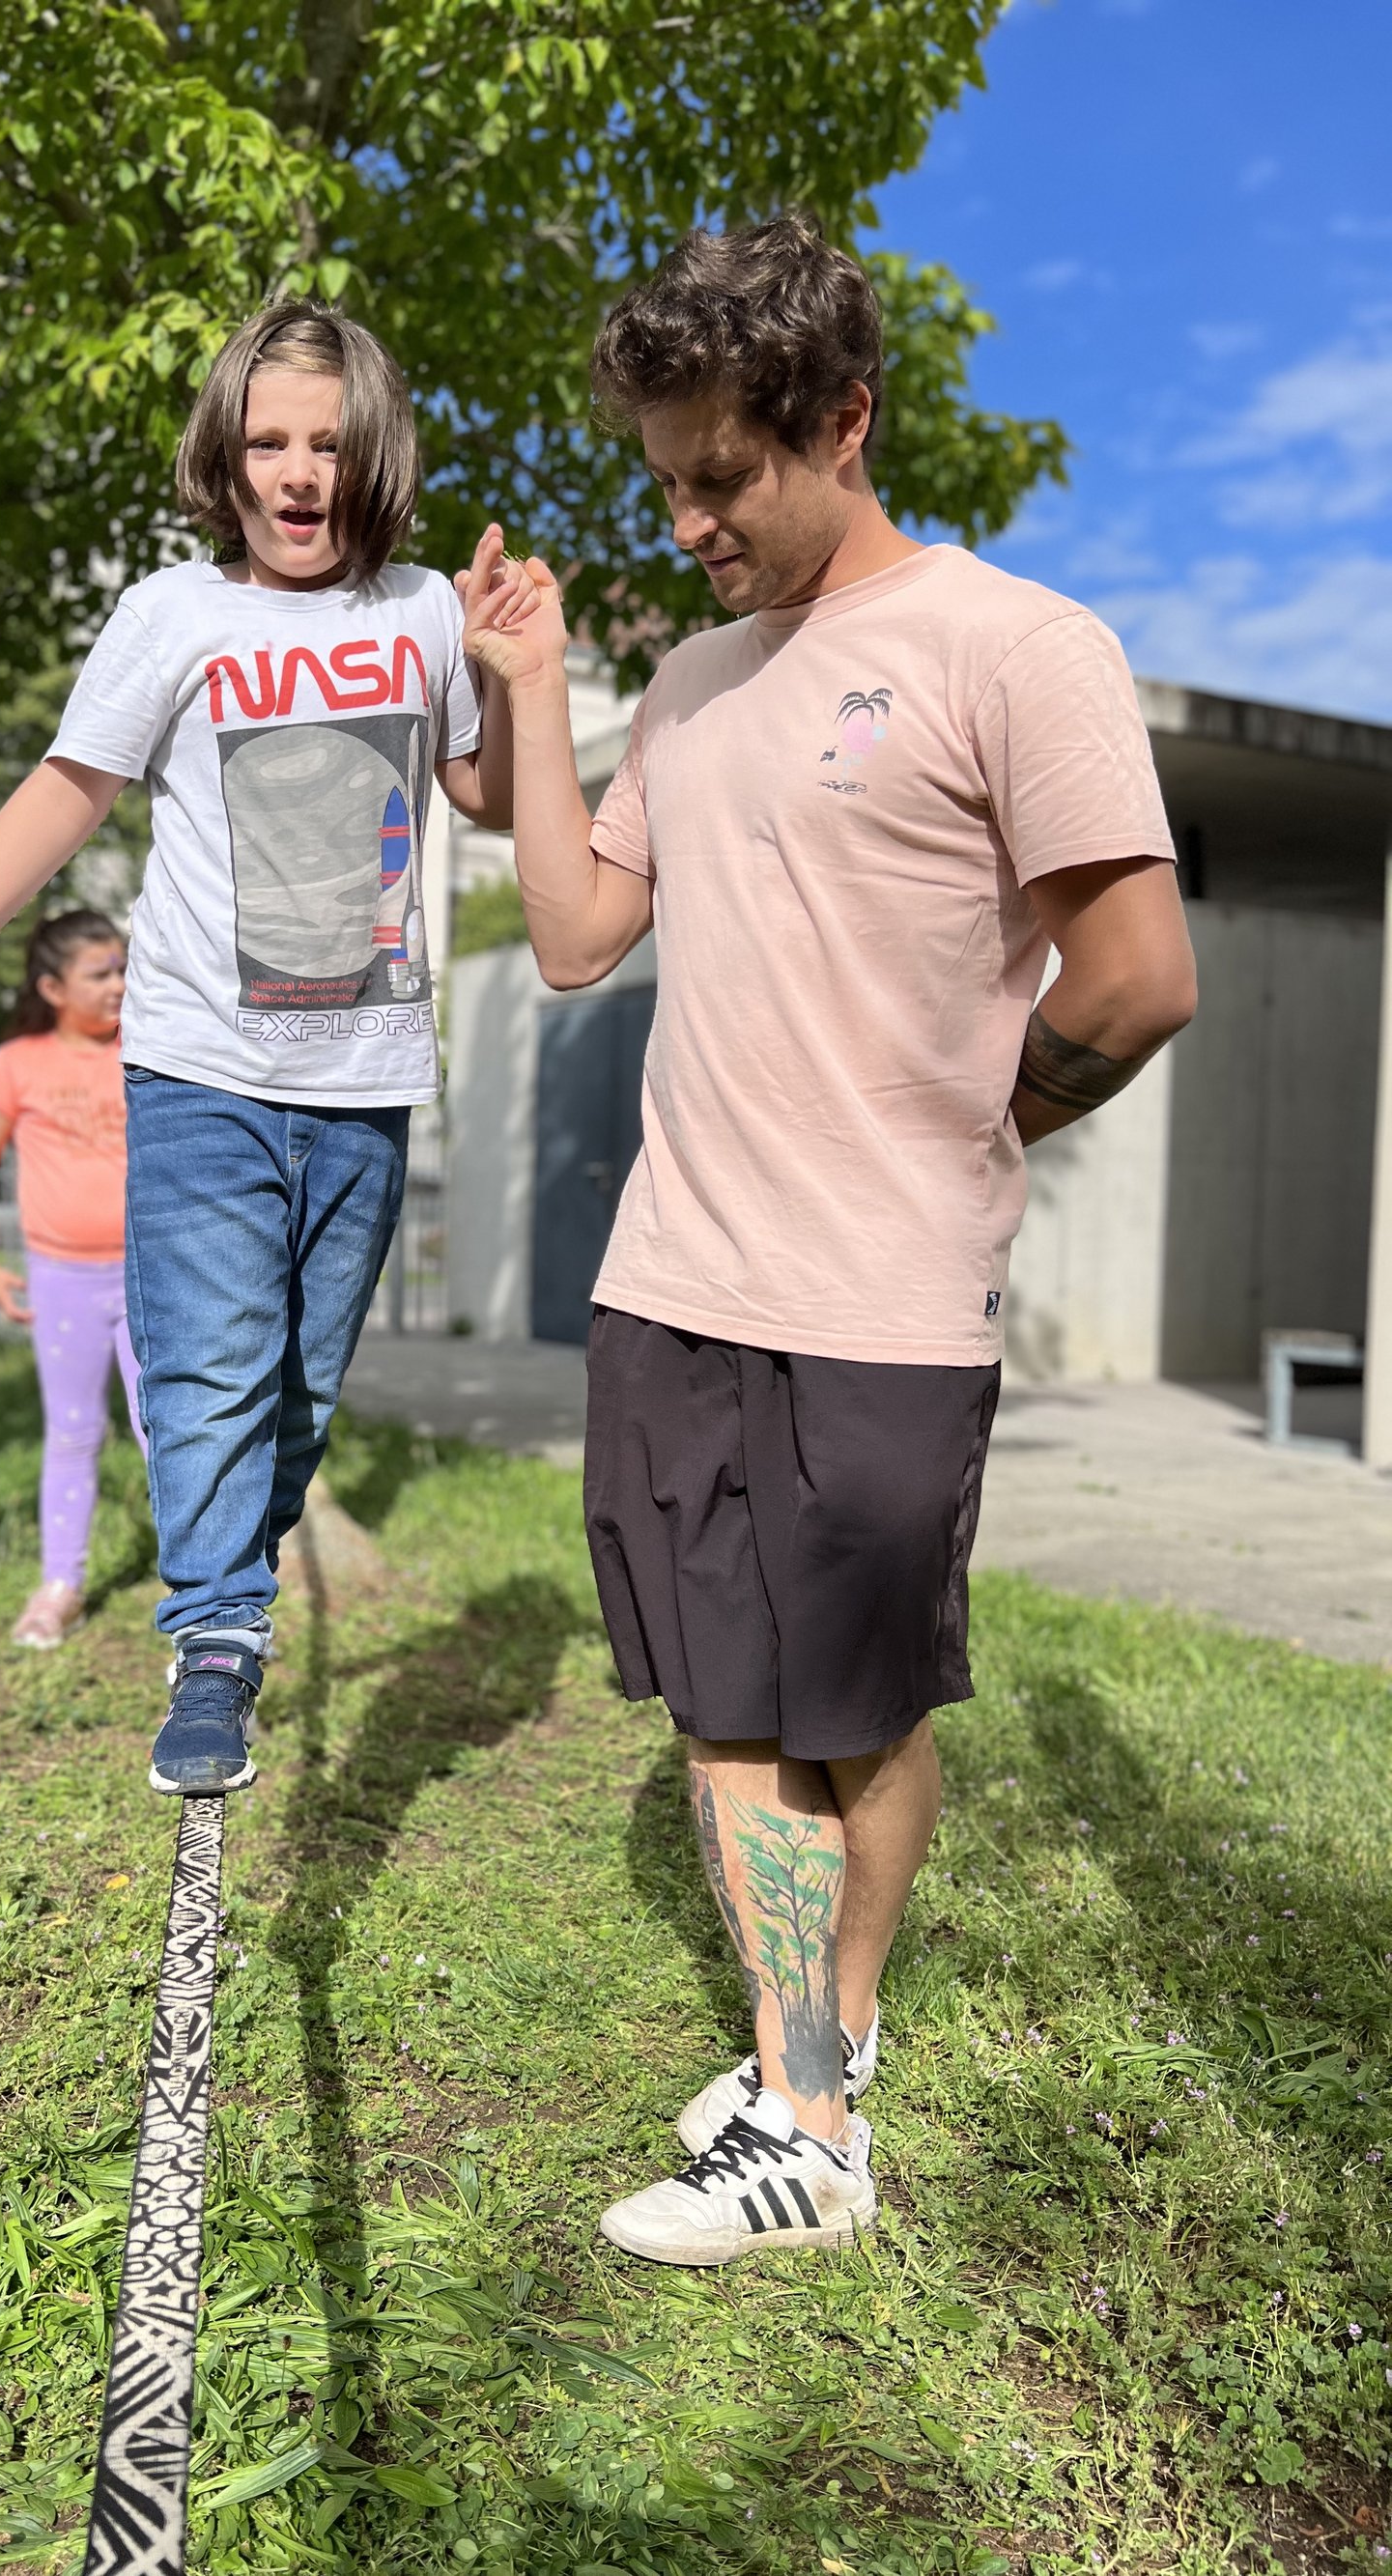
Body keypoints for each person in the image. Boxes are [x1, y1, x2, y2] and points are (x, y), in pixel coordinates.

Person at [464, 217, 1198, 2262]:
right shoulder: (692, 683)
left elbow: (1139, 977)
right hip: (674, 1277)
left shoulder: (1012, 647)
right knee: (723, 1694)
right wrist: (534, 686)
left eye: (724, 475)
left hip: (883, 1294)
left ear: (845, 418)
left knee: (858, 1704)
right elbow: (575, 938)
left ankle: (821, 2072)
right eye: (663, 479)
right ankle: (805, 2096)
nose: (689, 519)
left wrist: (971, 1122)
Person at [0, 298, 531, 1791]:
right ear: (225, 457)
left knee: (298, 1395)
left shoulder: (421, 610)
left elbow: (489, 795)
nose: (299, 473)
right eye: (268, 443)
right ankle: (217, 1637)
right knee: (206, 1370)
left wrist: (509, 671)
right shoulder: (172, 613)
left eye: (328, 443)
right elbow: (70, 785)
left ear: (373, 453)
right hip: (198, 1069)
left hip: (366, 1080)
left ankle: (230, 1567)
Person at [0, 907, 148, 1649]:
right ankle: (60, 1585)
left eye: (122, 968)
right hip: (62, 1279)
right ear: (53, 987)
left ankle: (204, 1597)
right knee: (72, 1432)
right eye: (100, 973)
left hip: (150, 1276)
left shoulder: (151, 1048)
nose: (118, 984)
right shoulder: (17, 1064)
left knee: (164, 1429)